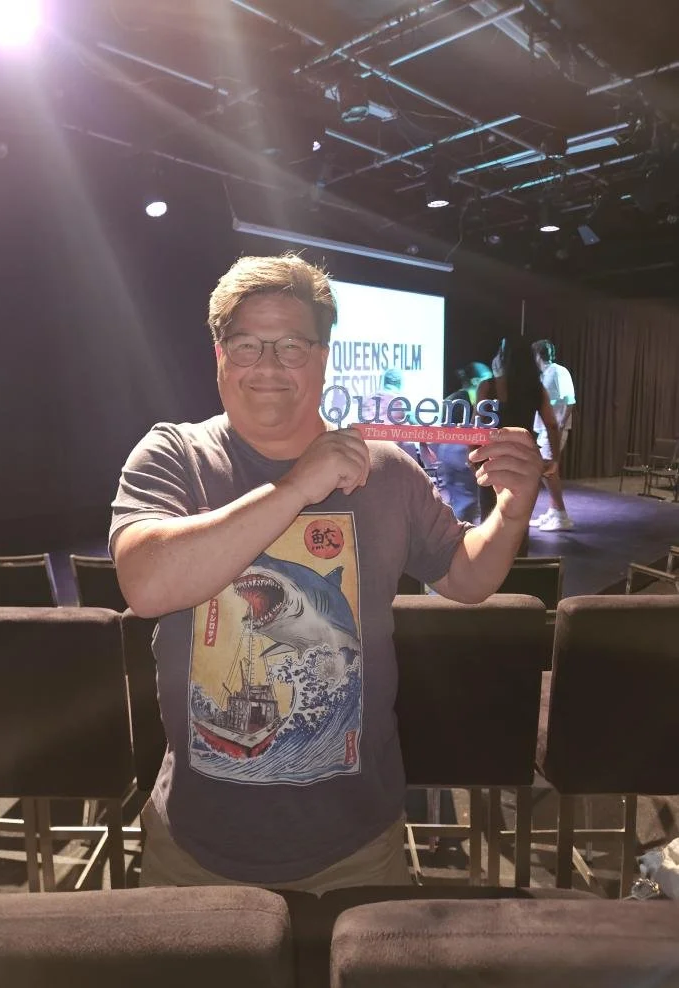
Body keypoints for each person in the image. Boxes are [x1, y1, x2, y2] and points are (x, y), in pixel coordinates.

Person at [110, 253, 544, 892]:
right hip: (194, 852)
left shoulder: (386, 470)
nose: (267, 366)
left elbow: (466, 578)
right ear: (219, 355)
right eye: (247, 345)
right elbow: (145, 583)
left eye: (291, 346)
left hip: (357, 849)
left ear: (323, 356)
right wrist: (295, 488)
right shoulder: (174, 455)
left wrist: (510, 514)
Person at [476, 338, 560, 549]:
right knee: (519, 521)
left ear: (503, 357)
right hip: (523, 460)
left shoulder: (487, 387)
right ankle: (518, 564)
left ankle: (489, 566)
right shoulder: (536, 389)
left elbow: (477, 427)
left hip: (492, 459)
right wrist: (555, 459)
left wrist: (474, 460)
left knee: (489, 519)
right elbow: (552, 424)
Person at [435, 362, 492, 523]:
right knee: (468, 503)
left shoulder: (452, 398)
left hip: (446, 452)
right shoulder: (473, 402)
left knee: (459, 501)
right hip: (461, 452)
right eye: (488, 378)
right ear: (476, 381)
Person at [529, 339, 576, 531]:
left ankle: (561, 516)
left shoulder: (558, 371)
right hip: (544, 428)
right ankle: (554, 510)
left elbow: (570, 398)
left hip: (554, 428)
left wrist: (562, 423)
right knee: (546, 471)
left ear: (537, 355)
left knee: (548, 468)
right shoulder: (543, 375)